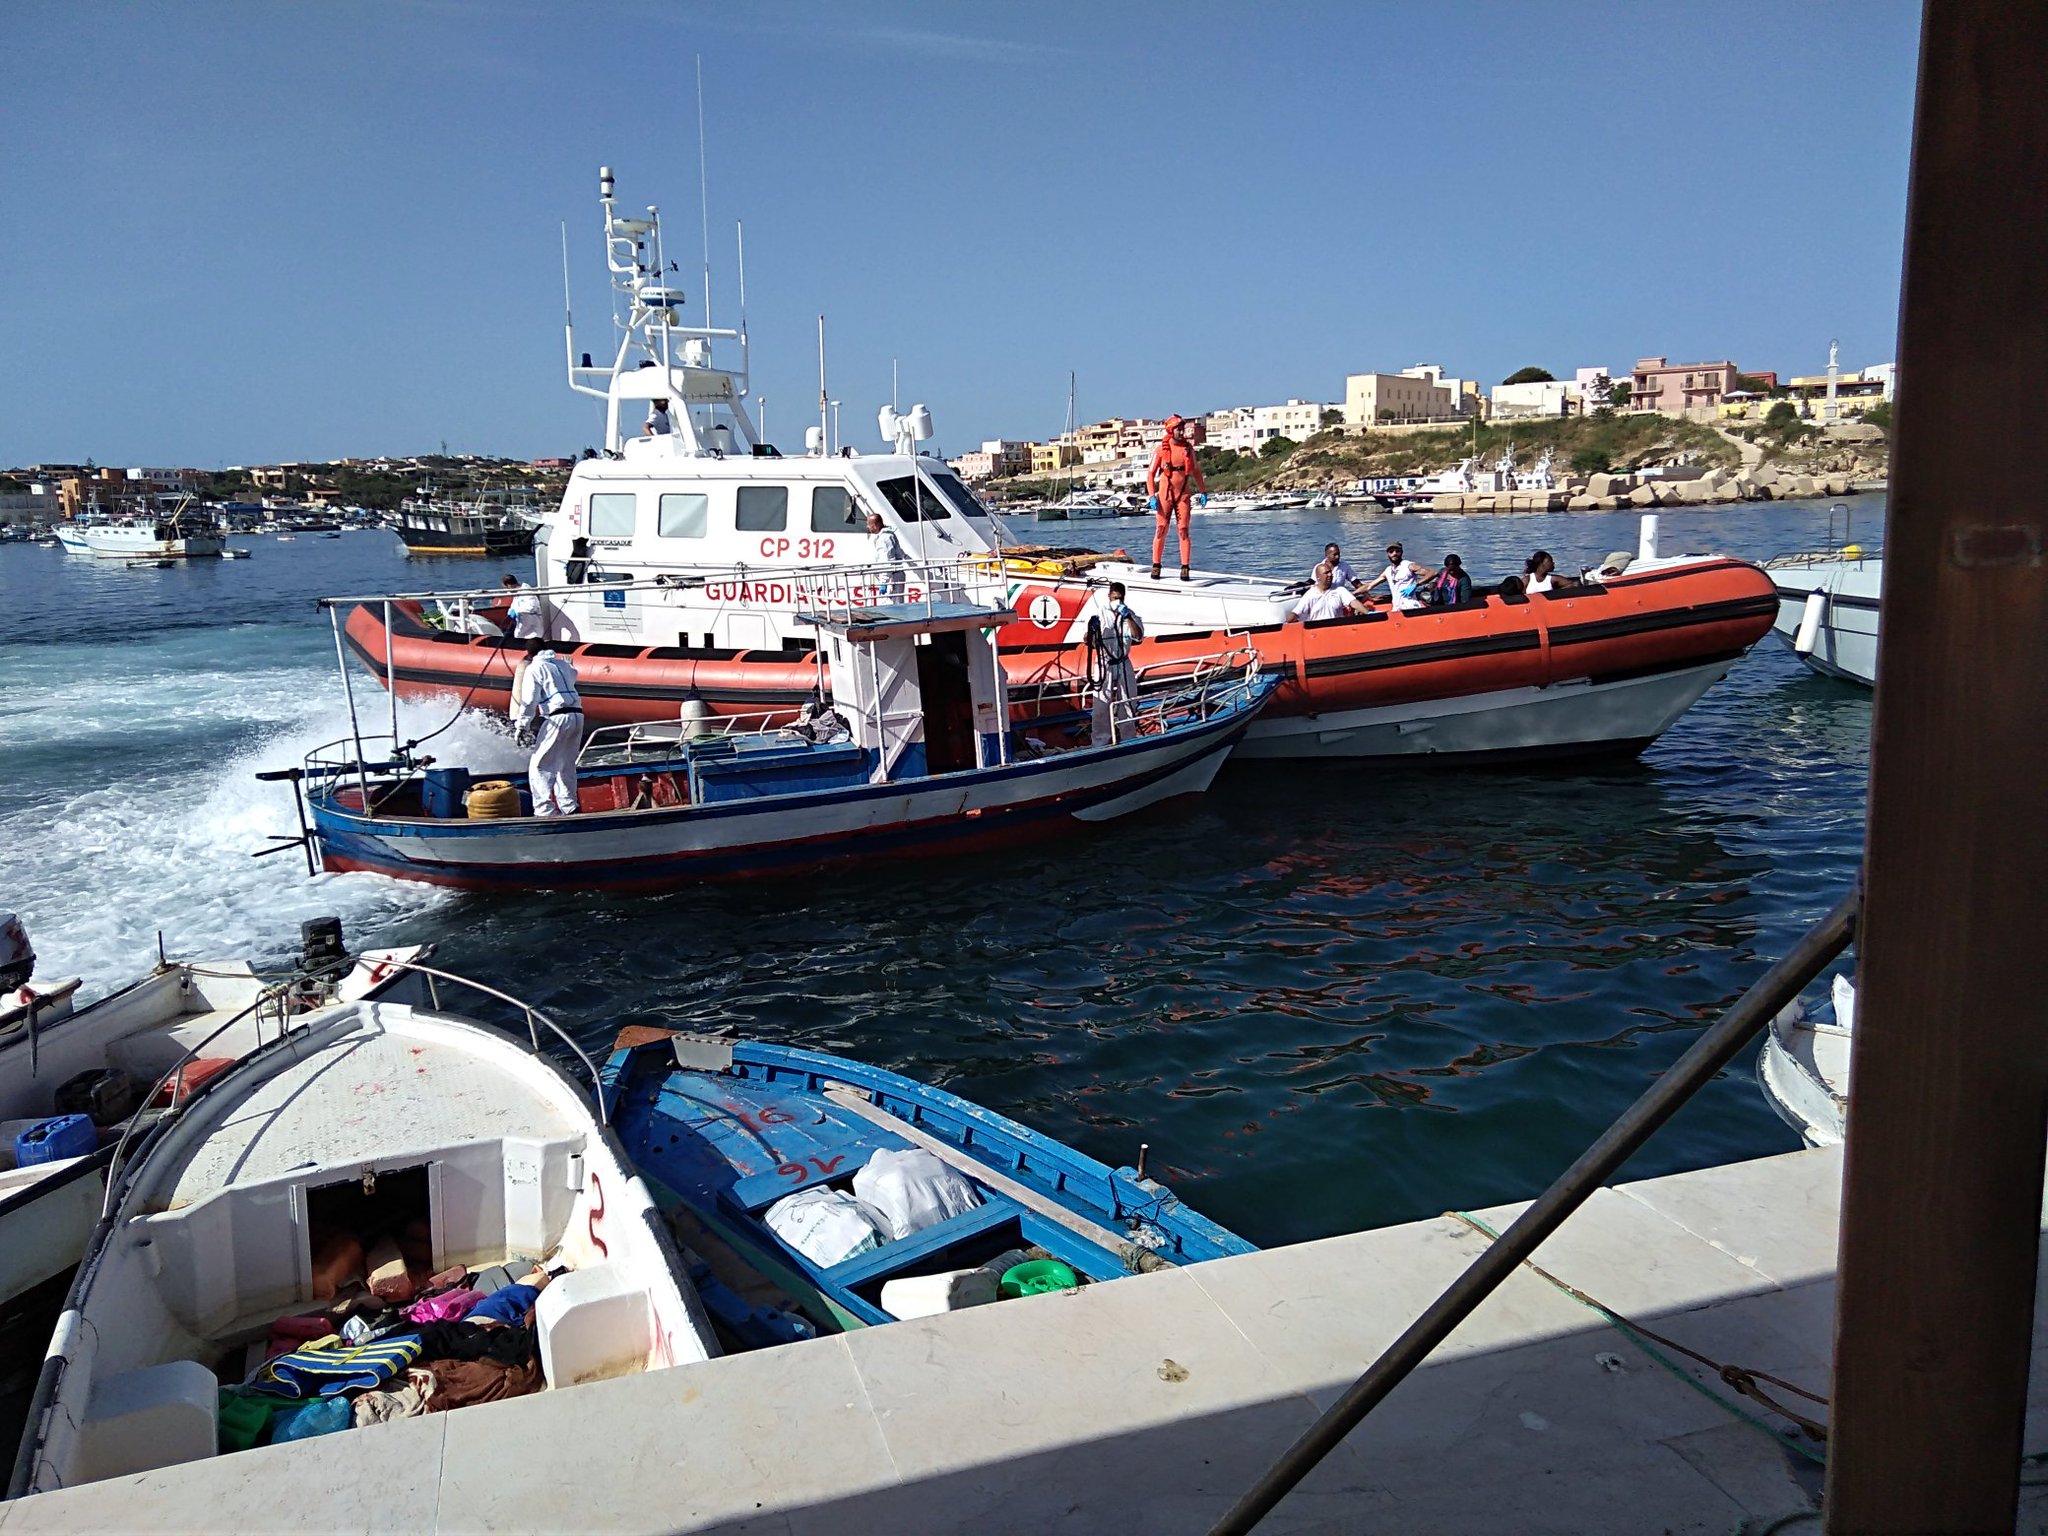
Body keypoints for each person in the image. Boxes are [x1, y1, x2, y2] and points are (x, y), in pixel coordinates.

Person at [512, 637, 584, 816]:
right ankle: (570, 806)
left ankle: (544, 810)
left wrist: (522, 725)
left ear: (529, 654)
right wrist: (571, 667)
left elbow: (529, 700)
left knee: (540, 765)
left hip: (557, 717)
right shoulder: (562, 665)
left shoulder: (533, 668)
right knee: (566, 764)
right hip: (577, 715)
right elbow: (573, 675)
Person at [1145, 415, 1207, 582]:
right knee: (1161, 529)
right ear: (1171, 430)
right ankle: (1156, 565)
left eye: (1183, 428)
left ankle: (1185, 567)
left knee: (1183, 530)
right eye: (1179, 428)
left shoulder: (1188, 449)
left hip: (1183, 495)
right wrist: (1151, 496)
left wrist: (1203, 491)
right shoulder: (1160, 450)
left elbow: (1196, 471)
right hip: (1165, 495)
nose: (1182, 431)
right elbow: (1150, 474)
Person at [1088, 580, 1145, 742]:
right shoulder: (1100, 614)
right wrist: (1092, 630)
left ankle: (1128, 737)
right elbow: (1090, 642)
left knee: (1128, 700)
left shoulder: (1130, 615)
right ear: (1109, 596)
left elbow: (1138, 636)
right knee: (1101, 702)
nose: (1116, 601)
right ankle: (1100, 740)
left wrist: (1127, 617)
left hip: (1123, 661)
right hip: (1104, 661)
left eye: (1119, 598)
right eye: (1114, 598)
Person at [1286, 563, 1370, 624]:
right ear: (1318, 577)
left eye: (1330, 572)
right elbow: (1296, 613)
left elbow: (1354, 603)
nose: (1330, 575)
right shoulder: (1310, 594)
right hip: (1317, 630)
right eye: (1326, 573)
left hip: (1337, 627)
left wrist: (1369, 614)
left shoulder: (1340, 590)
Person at [1364, 541, 1434, 611]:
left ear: (1401, 552)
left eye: (1397, 551)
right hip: (1396, 607)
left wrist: (1416, 584)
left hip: (1410, 606)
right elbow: (1369, 586)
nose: (1394, 553)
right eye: (1391, 552)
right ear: (1388, 554)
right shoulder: (1388, 570)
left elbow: (1432, 573)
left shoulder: (1408, 565)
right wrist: (1354, 594)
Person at [866, 511, 907, 600]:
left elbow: (887, 560)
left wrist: (884, 582)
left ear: (875, 525)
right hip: (891, 575)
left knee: (894, 605)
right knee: (896, 603)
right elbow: (899, 553)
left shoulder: (884, 538)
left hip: (892, 577)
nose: (867, 527)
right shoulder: (887, 535)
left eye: (869, 524)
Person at [500, 573, 544, 640]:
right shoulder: (516, 593)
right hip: (523, 627)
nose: (507, 591)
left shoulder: (526, 592)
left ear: (509, 585)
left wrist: (517, 611)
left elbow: (532, 607)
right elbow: (514, 606)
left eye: (506, 588)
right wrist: (511, 611)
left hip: (533, 628)